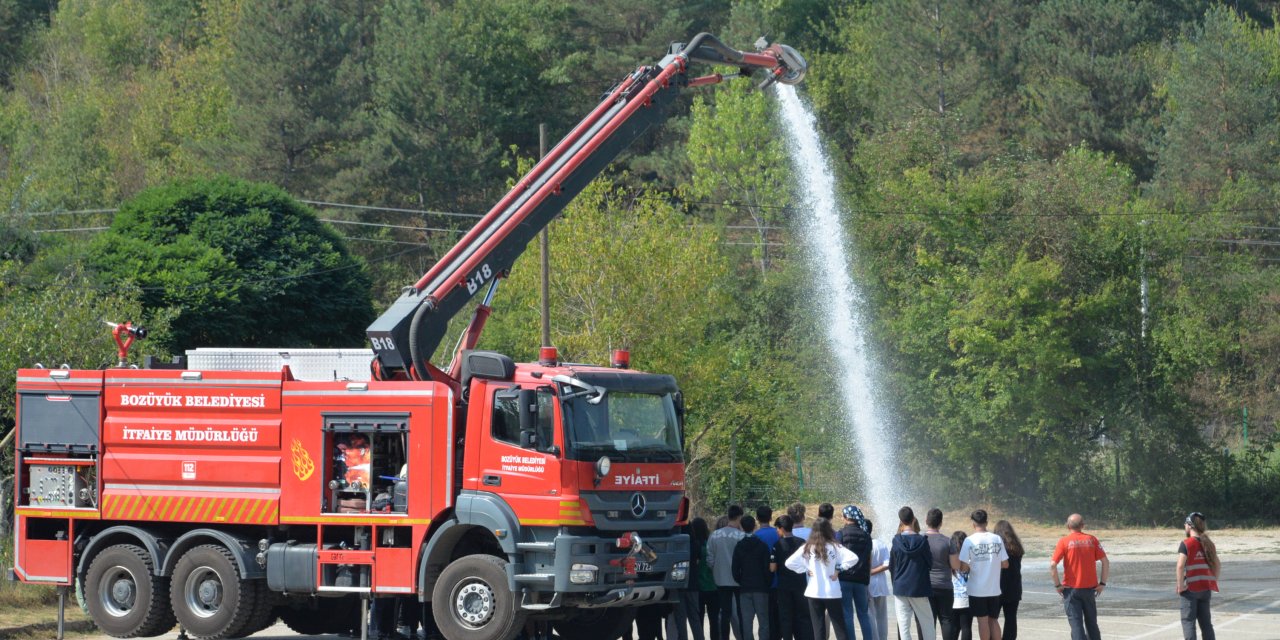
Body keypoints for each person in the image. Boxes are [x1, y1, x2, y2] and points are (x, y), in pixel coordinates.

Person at [784, 517, 857, 640]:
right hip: (832, 591)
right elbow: (853, 558)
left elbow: (789, 563)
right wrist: (839, 569)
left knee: (818, 628)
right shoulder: (834, 546)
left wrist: (806, 569)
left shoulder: (807, 547)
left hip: (814, 591)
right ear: (828, 530)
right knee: (839, 627)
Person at [1049, 513, 1109, 640]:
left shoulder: (1064, 541)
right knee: (1092, 623)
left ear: (1067, 526)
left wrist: (1058, 585)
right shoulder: (1092, 539)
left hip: (1071, 590)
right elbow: (1105, 561)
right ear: (1082, 525)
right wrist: (1102, 583)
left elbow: (1053, 565)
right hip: (1090, 589)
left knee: (1076, 625)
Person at [956, 510, 1008, 640]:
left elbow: (962, 567)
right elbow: (1005, 564)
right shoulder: (997, 538)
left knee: (983, 622)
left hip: (977, 590)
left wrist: (973, 565)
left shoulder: (969, 541)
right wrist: (992, 564)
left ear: (973, 523)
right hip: (994, 589)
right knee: (994, 620)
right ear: (987, 522)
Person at [891, 507, 935, 640]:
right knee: (927, 622)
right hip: (919, 586)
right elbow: (930, 563)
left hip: (900, 586)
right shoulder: (922, 541)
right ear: (914, 519)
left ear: (900, 521)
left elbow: (892, 566)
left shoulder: (896, 541)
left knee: (904, 625)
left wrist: (896, 581)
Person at [1176, 512, 1220, 640]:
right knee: (1206, 624)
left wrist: (1180, 586)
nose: (1184, 526)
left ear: (1189, 525)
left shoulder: (1186, 543)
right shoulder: (1209, 543)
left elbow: (1180, 566)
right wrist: (1212, 581)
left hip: (1190, 589)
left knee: (1188, 622)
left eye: (1185, 523)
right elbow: (1218, 564)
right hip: (1205, 589)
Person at [837, 505, 876, 640]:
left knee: (847, 614)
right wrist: (867, 579)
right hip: (862, 580)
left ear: (846, 517)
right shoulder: (867, 535)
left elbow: (837, 556)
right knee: (863, 614)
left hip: (844, 579)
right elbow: (869, 560)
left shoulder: (840, 534)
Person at [709, 505, 748, 640]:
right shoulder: (741, 536)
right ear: (739, 517)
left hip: (720, 578)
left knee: (725, 612)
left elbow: (710, 558)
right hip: (739, 579)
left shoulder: (715, 535)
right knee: (740, 612)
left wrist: (715, 568)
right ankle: (742, 636)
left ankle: (724, 637)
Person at [772, 515, 813, 640]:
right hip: (800, 584)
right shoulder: (802, 542)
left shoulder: (777, 545)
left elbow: (773, 568)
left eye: (777, 529)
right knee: (803, 615)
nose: (776, 531)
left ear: (782, 529)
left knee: (786, 616)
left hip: (784, 585)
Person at [734, 515, 774, 640]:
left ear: (742, 527)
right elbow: (767, 568)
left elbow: (734, 569)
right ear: (755, 526)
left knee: (746, 622)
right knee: (763, 621)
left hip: (745, 587)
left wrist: (740, 581)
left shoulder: (739, 546)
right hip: (761, 587)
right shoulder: (762, 546)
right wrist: (767, 583)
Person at [925, 508, 957, 640]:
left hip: (926, 586)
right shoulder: (948, 541)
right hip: (945, 585)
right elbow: (955, 565)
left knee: (928, 621)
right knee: (946, 620)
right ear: (941, 523)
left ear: (926, 521)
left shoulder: (921, 540)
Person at [992, 520, 1023, 640]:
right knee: (1011, 618)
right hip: (1014, 586)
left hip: (998, 586)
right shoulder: (1017, 546)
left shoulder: (997, 547)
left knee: (993, 618)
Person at [754, 506, 781, 640]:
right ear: (771, 518)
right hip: (779, 579)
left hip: (763, 581)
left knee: (766, 613)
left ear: (757, 519)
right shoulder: (778, 533)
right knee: (779, 613)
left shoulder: (756, 536)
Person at [694, 518, 721, 640]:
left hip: (698, 587)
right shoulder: (710, 543)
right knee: (714, 619)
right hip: (713, 586)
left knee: (698, 619)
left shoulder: (694, 546)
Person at [866, 520, 891, 640]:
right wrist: (875, 571)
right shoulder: (880, 544)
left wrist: (870, 572)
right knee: (882, 615)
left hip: (868, 584)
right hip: (881, 583)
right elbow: (887, 564)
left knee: (870, 614)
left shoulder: (863, 544)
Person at [950, 531, 972, 640]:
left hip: (952, 598)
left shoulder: (950, 558)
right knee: (966, 627)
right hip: (967, 598)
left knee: (954, 628)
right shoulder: (969, 557)